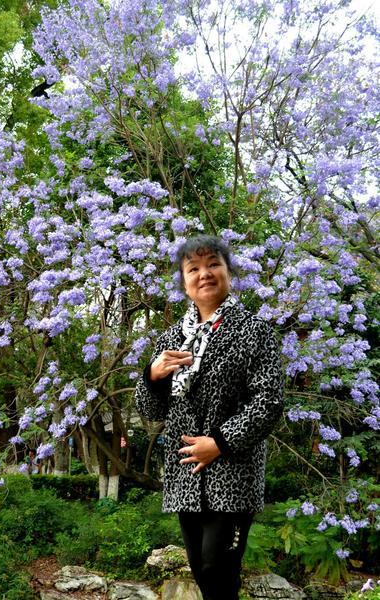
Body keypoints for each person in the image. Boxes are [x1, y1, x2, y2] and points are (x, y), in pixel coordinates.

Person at [135, 235, 284, 600]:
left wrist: (218, 443)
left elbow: (269, 403)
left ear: (229, 273)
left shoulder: (255, 332)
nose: (205, 274)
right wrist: (152, 377)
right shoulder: (172, 339)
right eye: (194, 268)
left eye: (214, 264)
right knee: (203, 571)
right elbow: (152, 414)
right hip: (186, 475)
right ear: (184, 283)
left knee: (219, 568)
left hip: (232, 473)